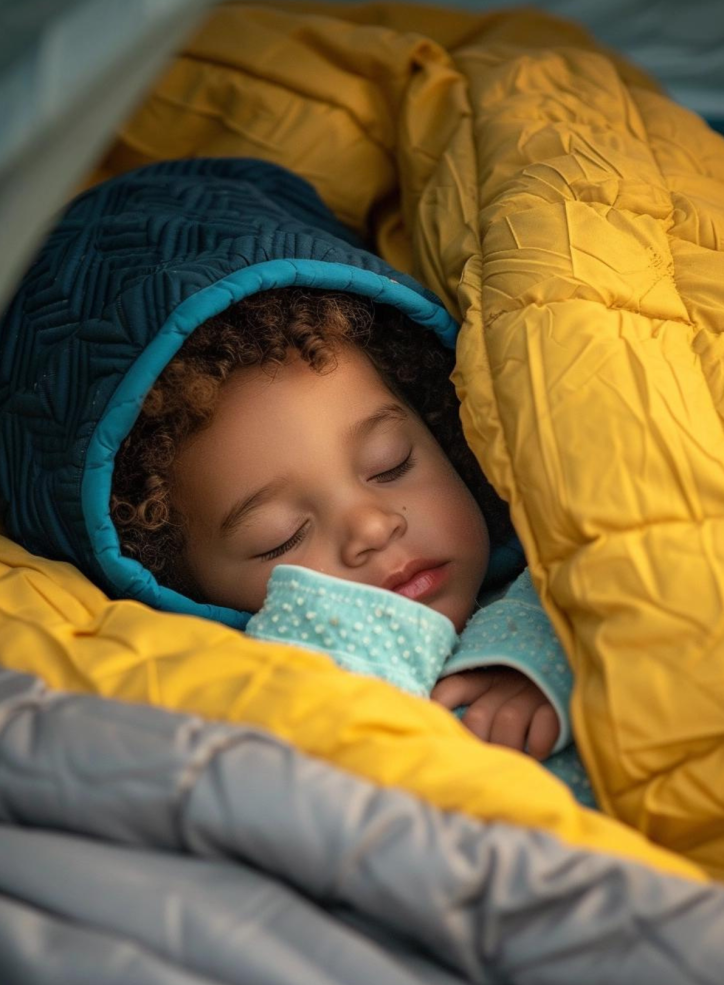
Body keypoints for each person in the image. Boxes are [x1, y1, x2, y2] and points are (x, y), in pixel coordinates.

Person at [110, 285, 571, 764]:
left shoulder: (563, 584)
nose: (372, 529)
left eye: (390, 463)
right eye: (280, 538)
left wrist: (545, 656)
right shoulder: (235, 720)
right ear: (190, 593)